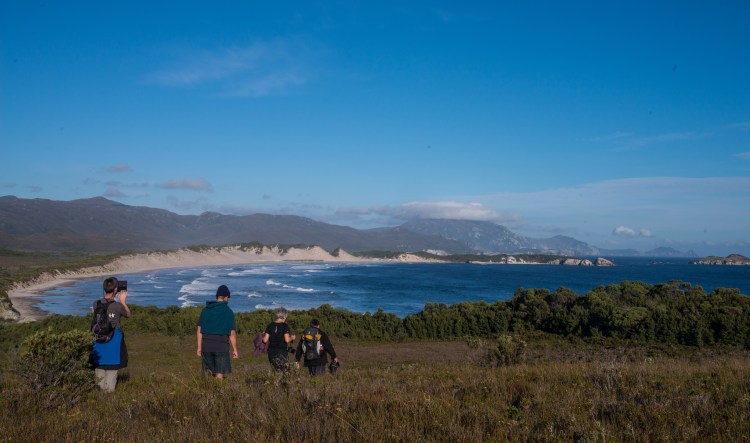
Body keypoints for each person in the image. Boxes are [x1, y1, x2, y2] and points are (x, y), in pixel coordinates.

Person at [90, 277, 131, 393]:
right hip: (113, 339)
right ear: (116, 290)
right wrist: (123, 301)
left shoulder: (96, 304)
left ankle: (99, 395)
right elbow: (128, 314)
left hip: (98, 340)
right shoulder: (117, 306)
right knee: (112, 369)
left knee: (99, 367)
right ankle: (108, 399)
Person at [196, 285, 238, 379]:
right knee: (219, 373)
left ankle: (207, 391)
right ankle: (217, 392)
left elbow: (199, 329)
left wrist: (199, 347)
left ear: (217, 297)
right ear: (226, 297)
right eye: (228, 298)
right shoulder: (228, 312)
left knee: (208, 373)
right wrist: (235, 349)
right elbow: (232, 333)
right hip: (221, 346)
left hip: (206, 346)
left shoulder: (206, 310)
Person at [262, 307, 296, 372]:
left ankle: (275, 381)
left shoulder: (270, 325)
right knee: (283, 371)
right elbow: (286, 340)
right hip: (281, 352)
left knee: (275, 370)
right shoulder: (285, 326)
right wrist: (292, 337)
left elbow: (265, 340)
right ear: (284, 316)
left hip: (271, 352)